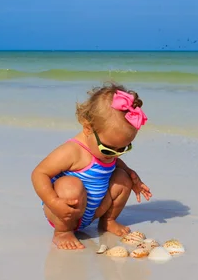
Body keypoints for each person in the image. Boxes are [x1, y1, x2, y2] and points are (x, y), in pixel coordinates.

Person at [31, 82, 152, 250]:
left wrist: (132, 176)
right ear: (88, 128)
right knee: (70, 185)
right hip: (64, 212)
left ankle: (108, 220)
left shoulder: (107, 151)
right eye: (109, 149)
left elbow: (115, 161)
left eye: (123, 149)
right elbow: (39, 173)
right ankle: (62, 232)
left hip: (93, 212)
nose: (115, 154)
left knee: (122, 178)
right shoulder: (72, 151)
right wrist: (53, 202)